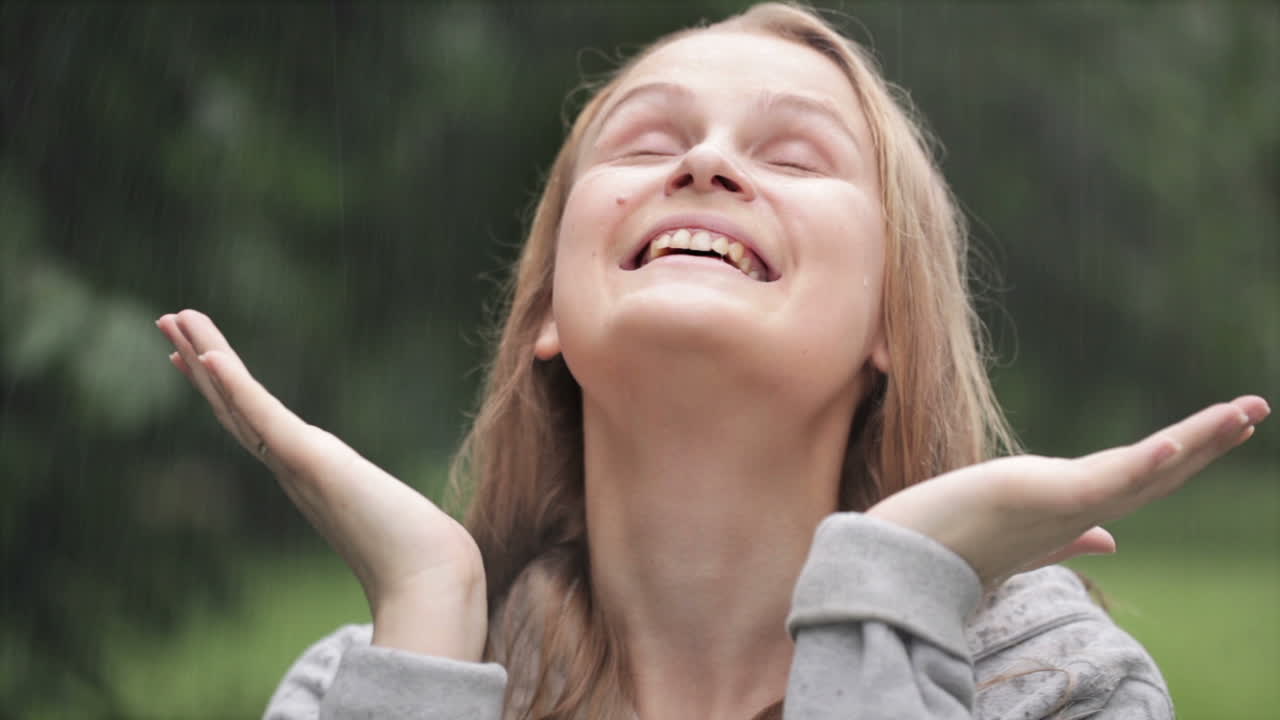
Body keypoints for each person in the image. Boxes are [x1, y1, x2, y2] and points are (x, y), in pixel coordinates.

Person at [156, 4, 1268, 719]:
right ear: (547, 310)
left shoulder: (1053, 684)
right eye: (645, 140)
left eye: (792, 154)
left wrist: (882, 600)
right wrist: (426, 625)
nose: (704, 160)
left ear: (892, 320)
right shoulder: (370, 677)